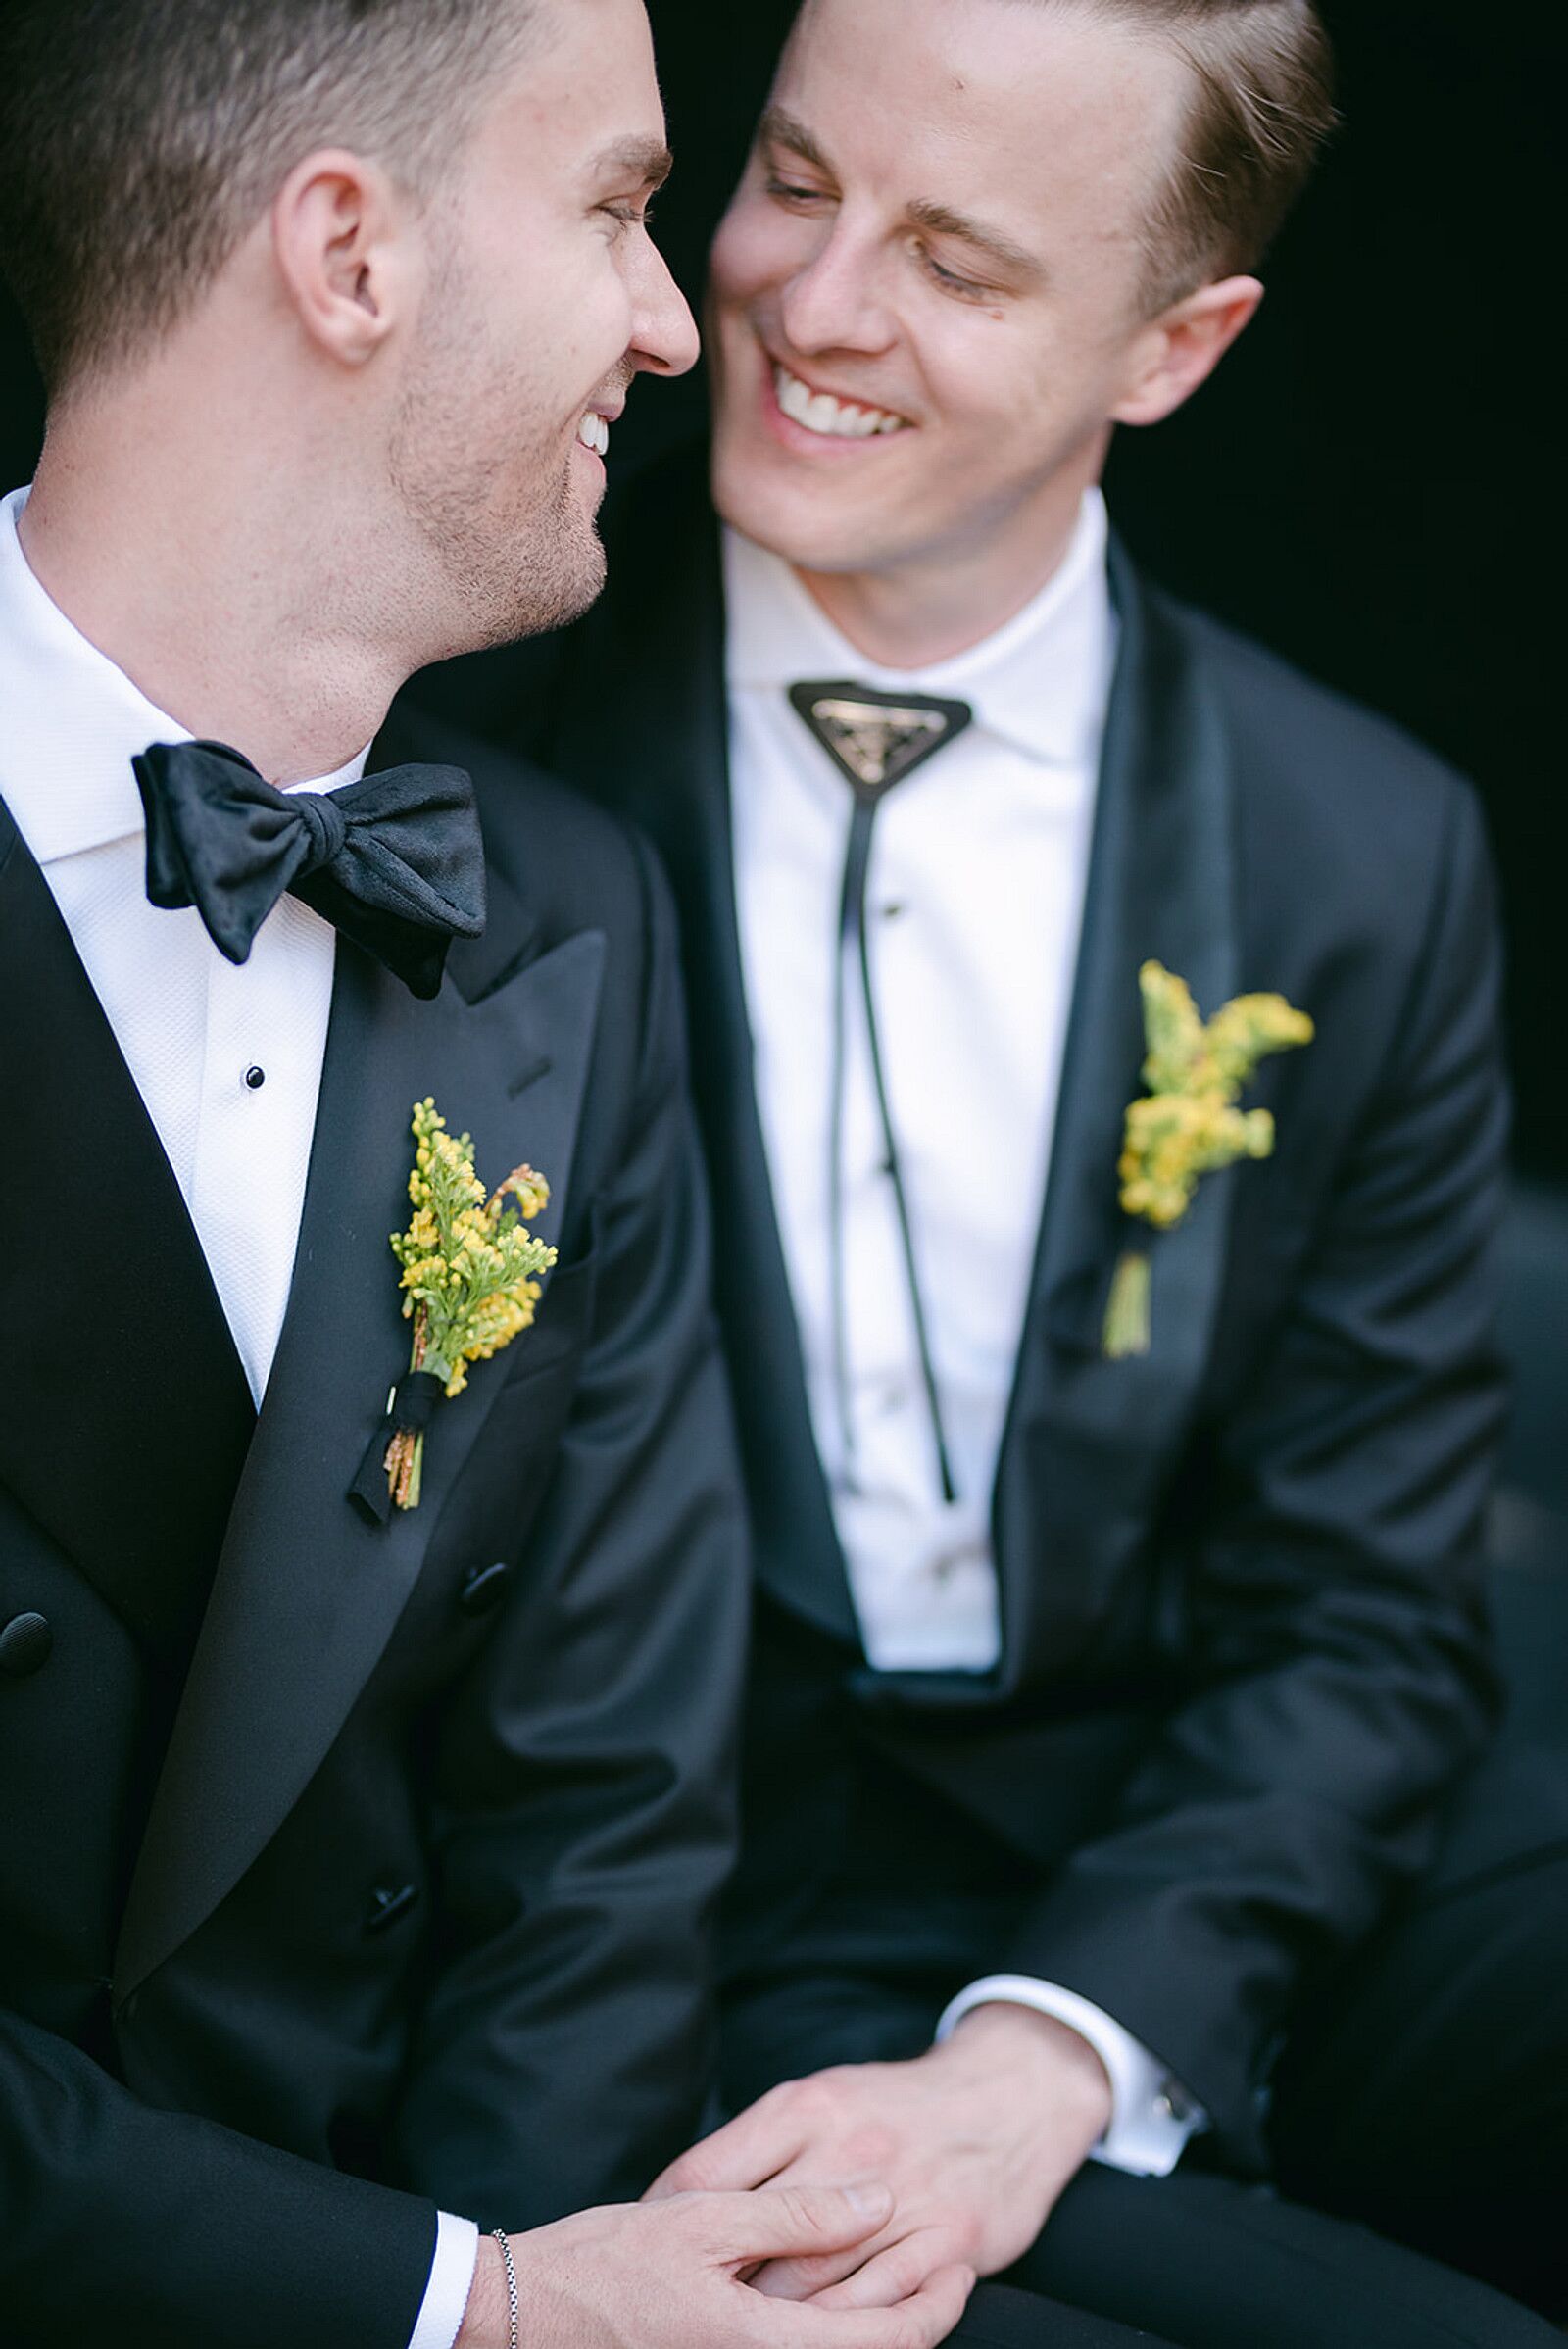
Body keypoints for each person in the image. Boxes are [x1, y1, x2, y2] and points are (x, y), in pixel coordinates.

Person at [416, 0, 1568, 2341]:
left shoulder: (1358, 852)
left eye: (953, 258)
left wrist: (1055, 2043)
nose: (812, 308)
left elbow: (1360, 1608)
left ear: (1177, 343)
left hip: (1204, 1842)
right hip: (686, 1899)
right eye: (801, 182)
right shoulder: (466, 747)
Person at [0, 3, 1002, 2345]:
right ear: (347, 251)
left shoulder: (571, 914)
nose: (678, 318)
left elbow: (605, 1801)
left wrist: (564, 2271)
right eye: (617, 206)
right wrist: (457, 2306)